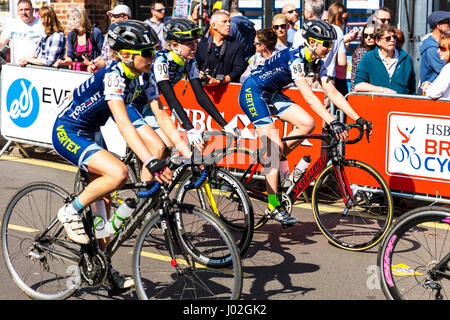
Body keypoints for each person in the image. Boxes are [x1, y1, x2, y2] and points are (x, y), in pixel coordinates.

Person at [52, 20, 172, 290]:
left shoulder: (142, 74)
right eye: (148, 53)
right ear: (128, 55)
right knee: (119, 172)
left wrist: (187, 150)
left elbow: (159, 115)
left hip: (91, 131)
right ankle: (69, 212)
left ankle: (103, 267)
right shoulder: (114, 75)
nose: (154, 57)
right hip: (68, 131)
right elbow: (124, 123)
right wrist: (150, 161)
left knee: (103, 210)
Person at [238, 20, 371, 225]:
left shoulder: (317, 60)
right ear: (311, 42)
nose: (329, 48)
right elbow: (308, 95)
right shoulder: (296, 57)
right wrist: (332, 120)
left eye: (330, 44)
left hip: (272, 93)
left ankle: (272, 158)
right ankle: (273, 204)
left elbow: (332, 90)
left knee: (308, 124)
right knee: (273, 149)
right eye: (326, 44)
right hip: (253, 92)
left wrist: (358, 117)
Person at [154, 18, 239, 149]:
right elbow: (171, 99)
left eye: (195, 42)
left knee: (167, 150)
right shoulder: (161, 60)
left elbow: (200, 95)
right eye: (189, 43)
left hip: (151, 104)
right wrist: (189, 128)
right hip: (135, 105)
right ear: (175, 45)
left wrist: (224, 124)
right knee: (159, 148)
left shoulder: (189, 61)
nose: (194, 47)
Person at [354, 25, 416, 95]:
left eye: (394, 37)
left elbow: (412, 90)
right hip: (377, 104)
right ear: (378, 41)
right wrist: (382, 90)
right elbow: (358, 85)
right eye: (388, 38)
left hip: (401, 104)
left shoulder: (406, 58)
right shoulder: (368, 57)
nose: (392, 40)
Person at [195, 9, 247, 86]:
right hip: (205, 90)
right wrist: (198, 74)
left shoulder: (237, 45)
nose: (229, 24)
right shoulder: (202, 44)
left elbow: (238, 70)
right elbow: (194, 66)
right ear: (213, 25)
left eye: (229, 21)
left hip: (228, 90)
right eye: (224, 22)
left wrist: (220, 81)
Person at [327, 2, 359, 96]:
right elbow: (341, 61)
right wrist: (345, 39)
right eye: (343, 19)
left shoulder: (333, 31)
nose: (344, 23)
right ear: (336, 16)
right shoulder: (336, 31)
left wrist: (346, 41)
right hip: (334, 75)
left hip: (339, 75)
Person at [87, 4, 131, 73]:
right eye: (111, 16)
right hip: (111, 77)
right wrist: (95, 65)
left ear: (125, 18)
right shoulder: (109, 35)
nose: (112, 19)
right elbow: (105, 60)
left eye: (116, 16)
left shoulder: (133, 36)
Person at [0, 0, 45, 64]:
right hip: (17, 67)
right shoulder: (12, 24)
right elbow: (1, 43)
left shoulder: (41, 25)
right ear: (17, 11)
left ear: (32, 10)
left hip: (37, 68)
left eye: (26, 9)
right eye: (21, 10)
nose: (23, 12)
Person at [419, 11, 450, 88]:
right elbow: (446, 71)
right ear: (439, 26)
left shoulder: (439, 44)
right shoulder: (432, 49)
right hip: (433, 94)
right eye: (448, 22)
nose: (449, 25)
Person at [421, 31, 450, 99]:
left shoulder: (448, 68)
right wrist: (432, 86)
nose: (438, 51)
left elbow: (434, 93)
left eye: (442, 48)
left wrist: (426, 89)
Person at [351, 22, 377, 91]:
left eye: (372, 35)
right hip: (362, 92)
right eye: (366, 35)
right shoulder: (360, 52)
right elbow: (355, 78)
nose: (368, 38)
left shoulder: (381, 52)